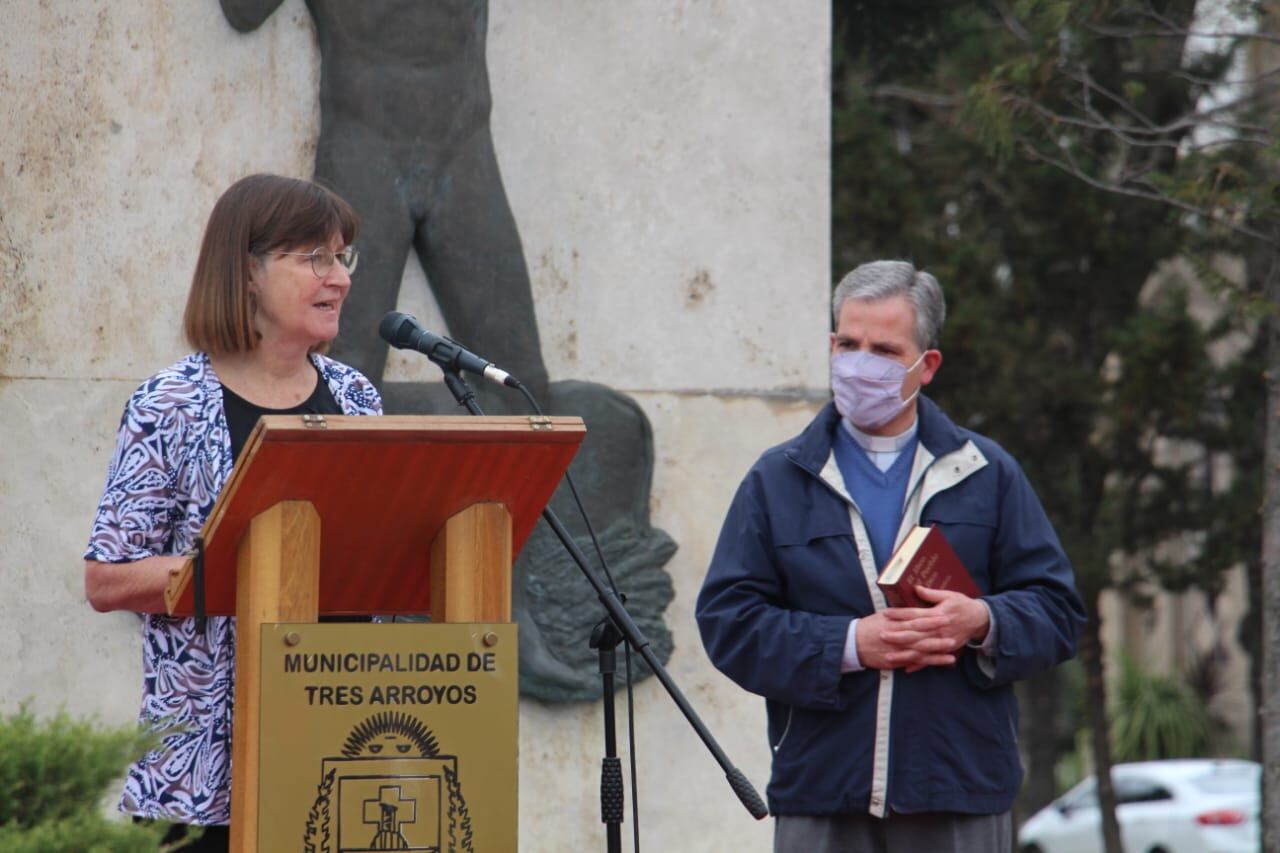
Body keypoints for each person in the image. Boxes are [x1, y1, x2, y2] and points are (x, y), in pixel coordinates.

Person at [695, 260, 1086, 852]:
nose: (859, 365)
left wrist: (981, 622)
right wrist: (850, 645)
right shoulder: (779, 479)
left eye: (883, 350)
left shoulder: (988, 473)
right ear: (830, 345)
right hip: (823, 790)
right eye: (848, 344)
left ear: (925, 365)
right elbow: (729, 623)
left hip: (959, 790)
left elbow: (1059, 612)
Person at [83, 174, 382, 852]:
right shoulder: (172, 403)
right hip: (202, 781)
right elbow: (107, 578)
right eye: (315, 258)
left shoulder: (356, 397)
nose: (338, 277)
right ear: (246, 270)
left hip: (338, 758)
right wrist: (241, 569)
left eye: (343, 258)